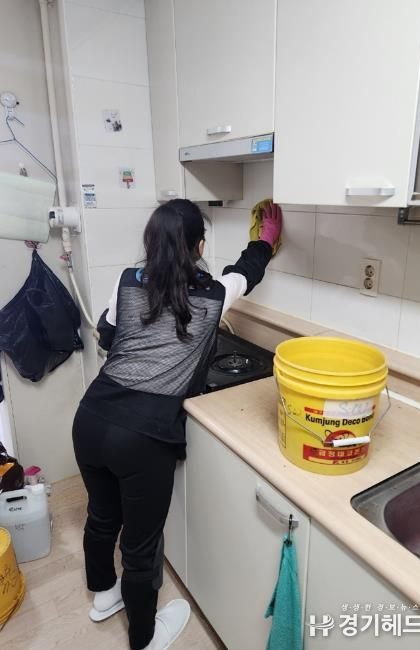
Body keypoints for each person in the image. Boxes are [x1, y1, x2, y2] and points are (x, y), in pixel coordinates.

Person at [72, 198, 282, 650]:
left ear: (151, 242)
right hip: (142, 437)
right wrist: (266, 238)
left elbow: (108, 335)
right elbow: (247, 271)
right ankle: (145, 638)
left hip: (91, 417)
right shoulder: (214, 295)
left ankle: (104, 595)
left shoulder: (127, 282)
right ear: (199, 246)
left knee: (102, 517)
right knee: (141, 544)